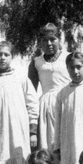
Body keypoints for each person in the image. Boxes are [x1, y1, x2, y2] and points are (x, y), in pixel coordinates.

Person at [28, 23, 70, 153]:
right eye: (45, 40)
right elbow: (30, 92)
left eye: (53, 39)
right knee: (50, 145)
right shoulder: (36, 62)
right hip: (47, 106)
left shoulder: (69, 57)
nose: (49, 43)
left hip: (67, 101)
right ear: (40, 42)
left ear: (59, 40)